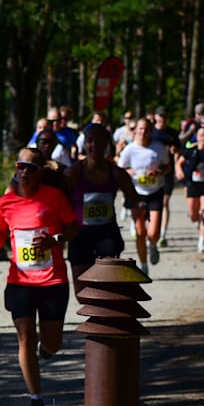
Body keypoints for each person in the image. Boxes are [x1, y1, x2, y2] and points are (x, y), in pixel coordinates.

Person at [0, 147, 78, 406]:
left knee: (53, 344)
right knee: (25, 337)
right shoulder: (5, 202)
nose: (23, 171)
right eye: (20, 166)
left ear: (40, 173)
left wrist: (56, 240)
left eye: (30, 167)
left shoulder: (54, 197)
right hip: (20, 281)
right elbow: (0, 229)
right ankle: (35, 400)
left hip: (53, 280)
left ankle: (45, 350)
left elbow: (73, 227)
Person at [65, 124, 141, 291]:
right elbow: (60, 199)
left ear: (106, 143)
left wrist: (141, 206)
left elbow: (134, 198)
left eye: (99, 140)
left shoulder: (116, 173)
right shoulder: (75, 171)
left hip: (107, 233)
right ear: (84, 144)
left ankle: (106, 314)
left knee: (108, 286)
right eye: (90, 141)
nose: (94, 145)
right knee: (82, 292)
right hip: (80, 234)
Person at [117, 116, 171, 274]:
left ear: (150, 131)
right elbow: (120, 169)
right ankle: (144, 265)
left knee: (153, 233)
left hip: (155, 191)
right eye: (140, 129)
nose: (143, 132)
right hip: (136, 193)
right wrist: (129, 171)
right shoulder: (130, 149)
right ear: (135, 131)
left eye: (146, 129)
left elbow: (168, 167)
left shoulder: (158, 148)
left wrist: (159, 171)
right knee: (140, 232)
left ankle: (153, 244)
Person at [151, 107, 180, 246]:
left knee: (164, 203)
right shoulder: (150, 132)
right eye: (160, 116)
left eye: (164, 116)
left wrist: (175, 150)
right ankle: (151, 230)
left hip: (167, 171)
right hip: (151, 173)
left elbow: (179, 148)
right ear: (155, 117)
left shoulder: (172, 133)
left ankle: (162, 234)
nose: (162, 118)